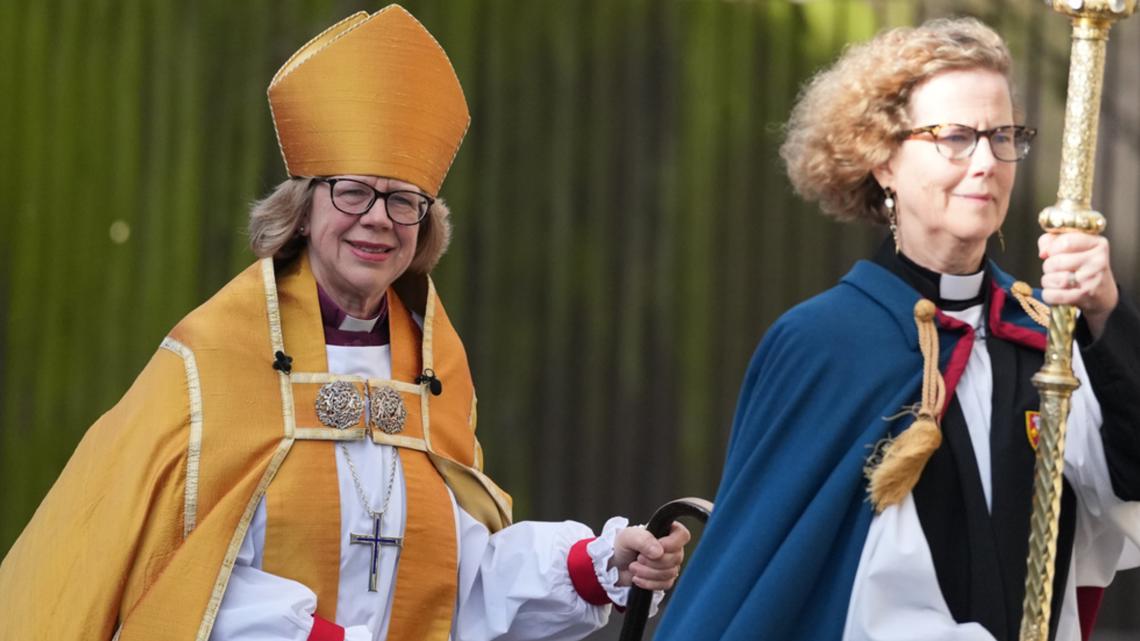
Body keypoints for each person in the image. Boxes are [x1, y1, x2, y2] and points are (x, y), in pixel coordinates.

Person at [0, 5, 689, 640]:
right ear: (302, 206)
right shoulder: (212, 359)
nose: (378, 219)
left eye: (402, 201)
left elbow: (457, 579)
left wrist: (597, 562)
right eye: (353, 191)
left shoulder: (431, 364)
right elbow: (178, 575)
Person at [654, 17, 1140, 641]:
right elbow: (763, 583)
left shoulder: (1049, 339)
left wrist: (1104, 313)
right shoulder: (823, 345)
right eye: (956, 137)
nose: (987, 162)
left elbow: (1126, 484)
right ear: (882, 157)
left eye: (1003, 135)